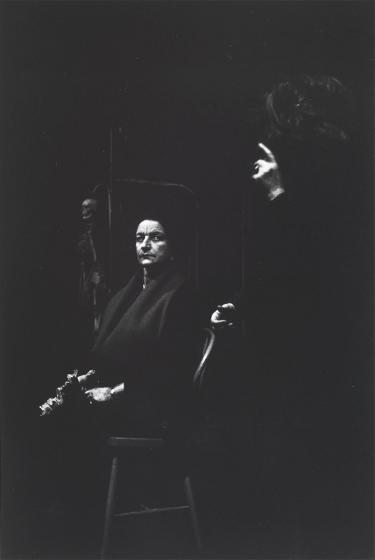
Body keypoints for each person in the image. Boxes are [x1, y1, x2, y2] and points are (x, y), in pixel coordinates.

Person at [211, 74, 367, 530]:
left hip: (315, 355)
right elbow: (276, 269)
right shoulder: (297, 187)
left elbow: (313, 266)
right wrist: (243, 302)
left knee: (307, 482)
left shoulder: (331, 184)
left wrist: (278, 192)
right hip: (289, 349)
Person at [84, 214, 202, 441]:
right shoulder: (126, 294)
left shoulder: (181, 295)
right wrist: (89, 379)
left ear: (172, 245)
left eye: (156, 237)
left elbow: (172, 369)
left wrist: (112, 393)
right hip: (120, 396)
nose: (145, 245)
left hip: (153, 403)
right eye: (140, 238)